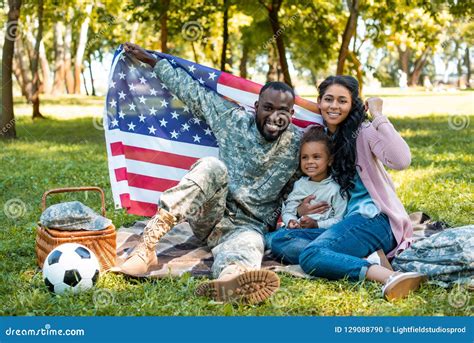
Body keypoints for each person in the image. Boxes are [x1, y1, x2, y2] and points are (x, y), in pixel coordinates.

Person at [119, 42, 329, 304]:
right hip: (209, 213)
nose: (275, 116)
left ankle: (232, 281)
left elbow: (314, 173)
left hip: (247, 226)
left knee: (247, 249)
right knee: (211, 166)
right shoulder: (233, 121)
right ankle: (146, 247)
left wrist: (301, 210)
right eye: (268, 108)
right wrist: (152, 61)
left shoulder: (299, 145)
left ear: (292, 113)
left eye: (283, 111)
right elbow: (194, 93)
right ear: (256, 106)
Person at [267, 75, 426, 301]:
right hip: (343, 222)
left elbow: (401, 160)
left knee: (311, 255)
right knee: (279, 239)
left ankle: (388, 276)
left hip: (375, 219)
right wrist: (300, 213)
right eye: (328, 99)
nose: (334, 106)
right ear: (319, 101)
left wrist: (379, 116)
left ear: (352, 104)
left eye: (342, 101)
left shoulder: (363, 131)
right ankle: (366, 258)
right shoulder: (320, 136)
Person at [279, 126, 347, 230]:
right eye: (304, 157)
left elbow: (340, 219)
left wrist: (316, 224)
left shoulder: (335, 189)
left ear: (329, 160)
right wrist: (291, 221)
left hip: (321, 233)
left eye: (316, 157)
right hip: (297, 231)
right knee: (277, 239)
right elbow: (288, 210)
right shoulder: (300, 184)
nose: (309, 161)